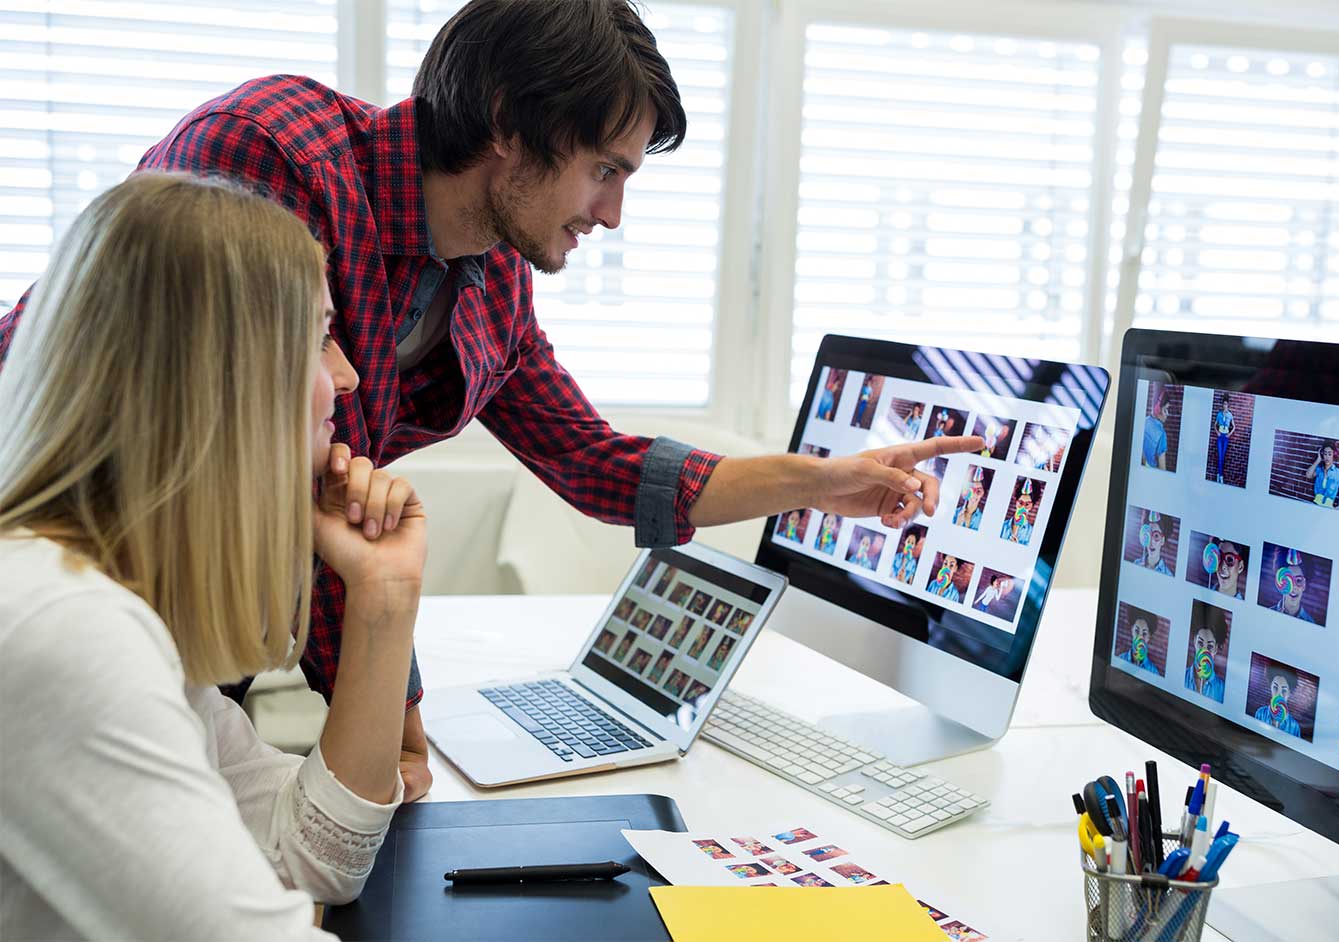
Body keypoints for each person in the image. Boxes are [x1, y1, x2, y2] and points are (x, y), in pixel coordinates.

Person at [0, 0, 980, 796]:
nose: (613, 214)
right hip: (70, 596)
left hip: (187, 624)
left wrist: (822, 483)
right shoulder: (275, 155)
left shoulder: (491, 278)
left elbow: (594, 461)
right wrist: (391, 717)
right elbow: (294, 474)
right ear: (511, 125)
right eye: (605, 170)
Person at [0, 174, 422, 937]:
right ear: (218, 377)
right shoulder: (65, 626)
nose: (347, 377)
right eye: (317, 338)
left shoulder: (114, 599)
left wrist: (384, 598)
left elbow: (309, 860)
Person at [1183, 607, 1227, 702]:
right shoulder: (1181, 676)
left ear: (1216, 649)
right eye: (1200, 643)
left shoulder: (1222, 690)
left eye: (1210, 646)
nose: (1204, 651)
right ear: (1194, 641)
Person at [1252, 663, 1302, 737]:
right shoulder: (1260, 713)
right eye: (1275, 688)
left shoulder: (1294, 726)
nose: (1279, 695)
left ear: (1289, 693)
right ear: (1270, 687)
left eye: (1284, 691)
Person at [1269, 548, 1317, 622]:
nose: (1293, 587)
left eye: (1298, 580)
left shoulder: (1310, 622)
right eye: (1288, 579)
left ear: (1304, 585)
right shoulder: (1268, 613)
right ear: (1280, 582)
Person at [1118, 611, 1163, 676]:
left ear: (1149, 637)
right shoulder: (1120, 659)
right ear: (1131, 630)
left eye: (1144, 633)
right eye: (1136, 631)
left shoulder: (1153, 671)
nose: (1140, 638)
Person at [1304, 440, 1339, 507]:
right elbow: (1308, 475)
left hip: (1329, 507)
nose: (1327, 457)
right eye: (1325, 454)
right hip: (1316, 504)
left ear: (1334, 455)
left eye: (1329, 454)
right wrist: (1318, 459)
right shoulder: (1319, 470)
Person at [1134, 511, 1173, 576]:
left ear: (1162, 540)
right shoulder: (1136, 563)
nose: (1151, 542)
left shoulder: (1168, 574)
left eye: (1156, 536)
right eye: (1148, 535)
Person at [999, 479, 1037, 544]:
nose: (1023, 507)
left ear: (1031, 506)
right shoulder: (1002, 525)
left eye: (1027, 504)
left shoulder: (1032, 533)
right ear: (1016, 502)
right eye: (1020, 503)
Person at [1141, 388, 1171, 470]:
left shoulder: (1144, 421)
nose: (1168, 414)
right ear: (1158, 408)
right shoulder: (1162, 434)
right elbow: (1162, 468)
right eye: (1166, 410)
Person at [1212, 396, 1236, 484]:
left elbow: (1234, 426)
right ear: (1222, 405)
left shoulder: (1230, 415)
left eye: (1226, 404)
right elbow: (1215, 425)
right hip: (1220, 436)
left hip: (1225, 437)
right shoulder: (1219, 414)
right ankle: (1220, 476)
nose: (1224, 405)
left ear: (1228, 405)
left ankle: (1219, 475)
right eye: (1223, 404)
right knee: (1220, 456)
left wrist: (1229, 434)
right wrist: (1217, 432)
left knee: (1223, 457)